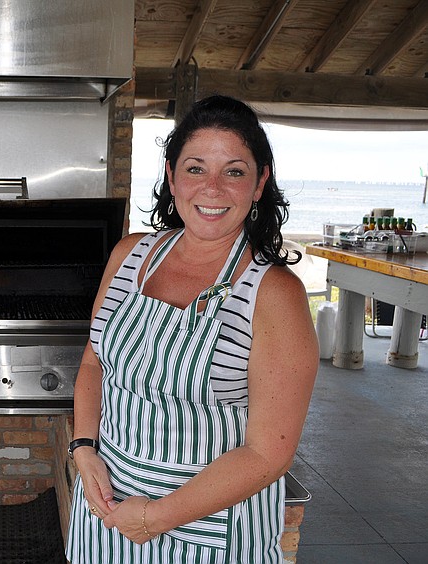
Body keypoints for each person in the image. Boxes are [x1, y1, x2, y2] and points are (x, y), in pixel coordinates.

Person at [66, 95, 318, 563]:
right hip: (106, 516)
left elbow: (269, 455)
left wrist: (156, 517)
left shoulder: (275, 294)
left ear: (260, 182)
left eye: (235, 171)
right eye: (196, 168)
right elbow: (92, 363)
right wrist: (83, 448)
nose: (213, 188)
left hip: (209, 532)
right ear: (171, 175)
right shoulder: (130, 256)